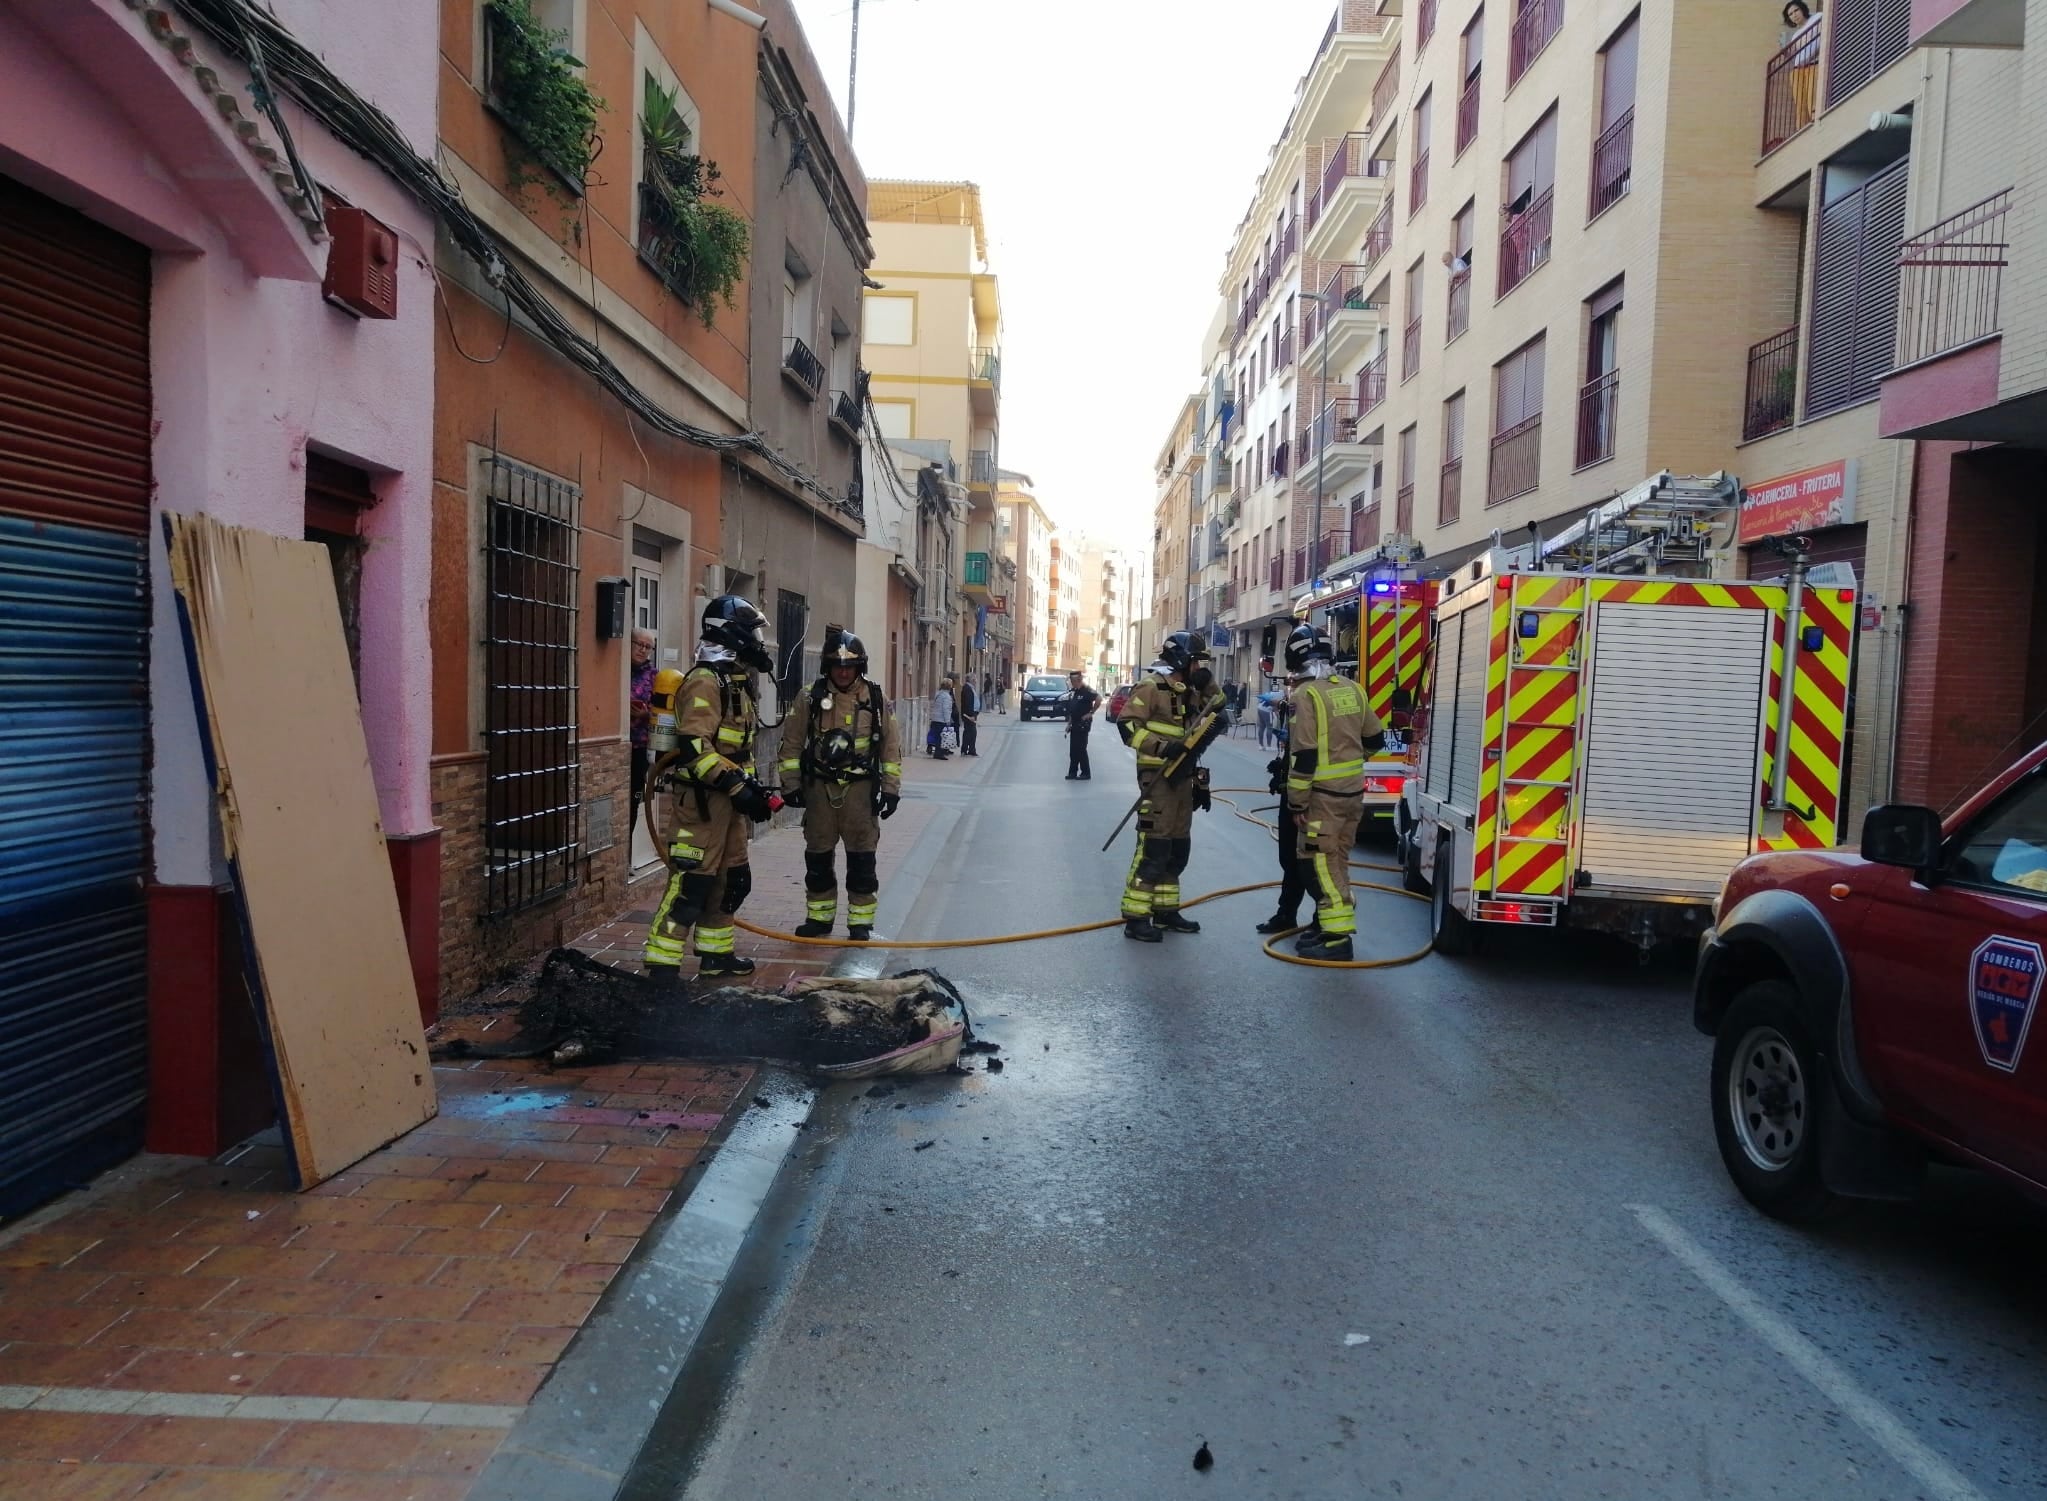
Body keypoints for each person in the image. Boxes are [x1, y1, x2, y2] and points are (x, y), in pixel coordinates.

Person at [643, 596, 778, 984]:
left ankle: (716, 956)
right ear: (732, 632)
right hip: (701, 806)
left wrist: (755, 790)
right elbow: (695, 748)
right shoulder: (705, 680)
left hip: (728, 804)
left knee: (730, 881)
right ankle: (662, 964)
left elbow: (737, 748)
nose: (757, 639)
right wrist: (738, 788)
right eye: (752, 631)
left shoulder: (735, 680)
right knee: (691, 884)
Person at [778, 627, 902, 942]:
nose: (843, 671)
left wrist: (890, 789)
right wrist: (790, 785)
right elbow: (791, 743)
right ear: (827, 667)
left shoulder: (875, 698)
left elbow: (891, 747)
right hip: (820, 790)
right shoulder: (810, 697)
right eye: (837, 665)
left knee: (862, 859)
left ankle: (860, 924)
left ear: (860, 666)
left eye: (849, 666)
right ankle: (819, 920)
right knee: (818, 857)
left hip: (860, 793)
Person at [1116, 631, 1227, 942]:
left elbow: (1219, 707)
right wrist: (1162, 747)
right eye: (1196, 661)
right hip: (1157, 779)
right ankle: (1136, 917)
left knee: (1178, 848)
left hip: (1183, 778)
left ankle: (1165, 911)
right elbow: (1127, 727)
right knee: (1154, 847)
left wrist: (1206, 682)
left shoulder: (1191, 689)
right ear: (1181, 659)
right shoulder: (1150, 687)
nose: (1199, 666)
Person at [1281, 621, 1383, 961]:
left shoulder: (1304, 696)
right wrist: (1351, 762)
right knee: (1336, 861)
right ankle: (1329, 929)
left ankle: (1338, 938)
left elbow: (1305, 755)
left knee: (1317, 865)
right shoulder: (1353, 689)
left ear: (1295, 660)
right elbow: (1375, 739)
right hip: (1352, 795)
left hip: (1322, 798)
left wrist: (1296, 803)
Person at [628, 628, 658, 847]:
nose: (643, 650)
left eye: (648, 647)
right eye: (639, 644)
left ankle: (626, 855)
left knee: (632, 801)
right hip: (620, 744)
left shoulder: (655, 677)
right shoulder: (616, 671)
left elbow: (664, 712)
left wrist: (646, 713)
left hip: (639, 748)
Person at [1781, 2, 1821, 132]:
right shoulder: (1796, 35)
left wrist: (1811, 55)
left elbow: (1822, 39)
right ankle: (1802, 130)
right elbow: (1796, 54)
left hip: (1813, 65)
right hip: (1798, 70)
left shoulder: (1818, 18)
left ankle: (1816, 124)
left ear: (1803, 9)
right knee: (1800, 104)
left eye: (1795, 11)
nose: (1794, 15)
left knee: (1812, 99)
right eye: (1790, 14)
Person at [1064, 669, 1100, 780]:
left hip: (1083, 724)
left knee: (1081, 749)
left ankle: (1085, 773)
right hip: (1074, 723)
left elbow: (1099, 699)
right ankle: (1072, 772)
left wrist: (1091, 712)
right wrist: (1069, 724)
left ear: (1078, 680)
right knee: (1073, 750)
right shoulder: (1074, 691)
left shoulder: (1087, 690)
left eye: (1072, 680)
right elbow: (1073, 710)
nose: (1071, 682)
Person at [928, 678, 955, 758]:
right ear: (949, 686)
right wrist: (947, 720)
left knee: (937, 736)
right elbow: (946, 709)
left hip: (935, 718)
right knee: (941, 737)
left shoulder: (938, 694)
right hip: (941, 719)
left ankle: (937, 752)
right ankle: (939, 753)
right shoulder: (946, 696)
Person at [959, 674, 981, 757]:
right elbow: (968, 703)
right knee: (970, 732)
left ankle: (968, 750)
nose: (976, 680)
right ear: (971, 679)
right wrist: (971, 715)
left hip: (972, 713)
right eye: (975, 678)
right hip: (969, 714)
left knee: (970, 732)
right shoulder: (967, 688)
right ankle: (967, 750)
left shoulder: (970, 688)